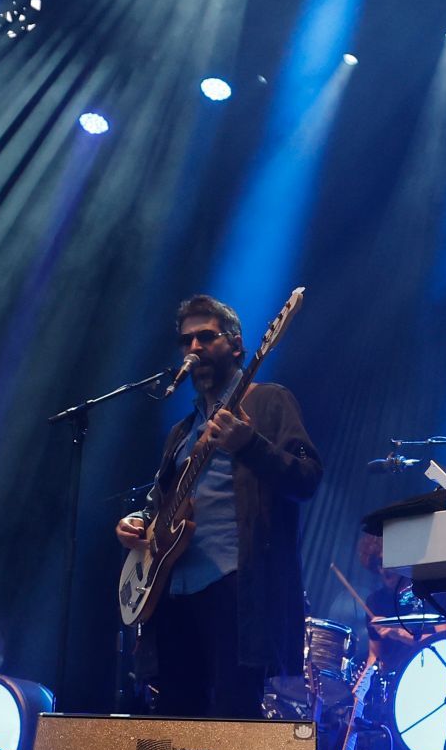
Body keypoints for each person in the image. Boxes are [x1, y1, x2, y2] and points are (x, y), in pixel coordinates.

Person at [115, 295, 322, 718]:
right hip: (174, 595)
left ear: (237, 345)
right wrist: (137, 523)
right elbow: (160, 504)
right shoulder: (182, 431)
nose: (194, 348)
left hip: (235, 589)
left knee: (232, 725)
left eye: (206, 337)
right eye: (187, 341)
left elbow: (307, 479)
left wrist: (248, 443)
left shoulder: (268, 401)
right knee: (176, 727)